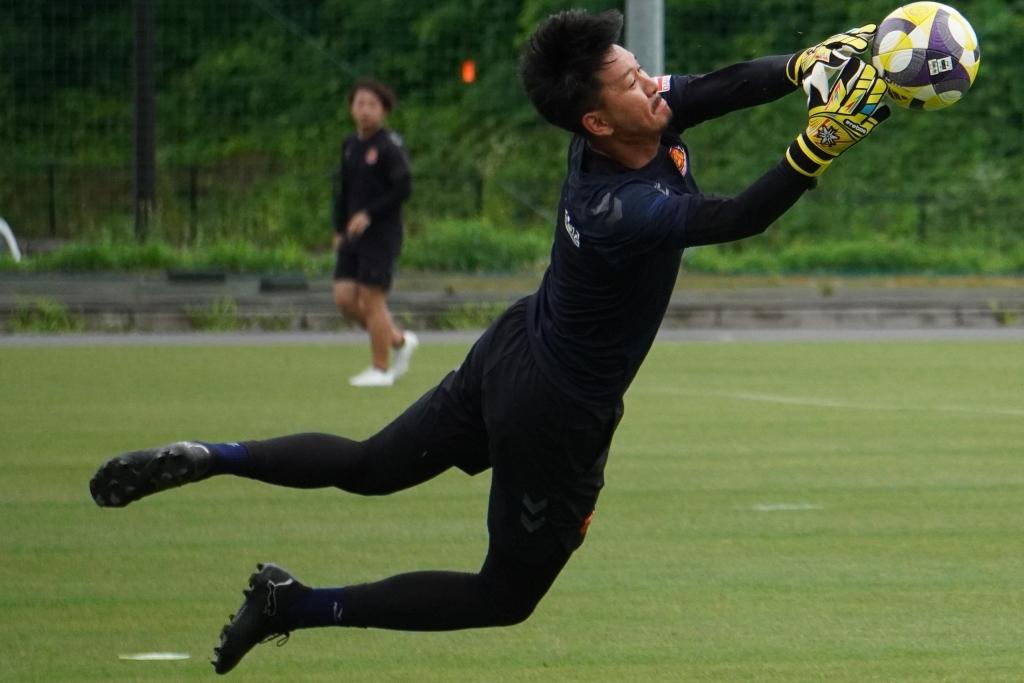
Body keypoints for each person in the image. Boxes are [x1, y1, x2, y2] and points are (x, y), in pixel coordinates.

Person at [89, 10, 889, 676]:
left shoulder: (626, 118)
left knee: (370, 466)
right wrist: (819, 144)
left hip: (515, 345)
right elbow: (737, 217)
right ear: (596, 120)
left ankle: (215, 455)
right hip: (555, 413)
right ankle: (293, 605)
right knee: (504, 595)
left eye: (641, 70)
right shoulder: (617, 206)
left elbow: (718, 86)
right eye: (633, 81)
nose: (654, 83)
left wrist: (804, 65)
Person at [332, 77, 418, 387]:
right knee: (344, 298)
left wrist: (369, 213)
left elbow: (403, 187)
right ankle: (398, 340)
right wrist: (339, 228)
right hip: (352, 235)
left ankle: (380, 370)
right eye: (360, 103)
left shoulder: (389, 146)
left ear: (384, 110)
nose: (365, 110)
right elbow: (342, 191)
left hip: (381, 233)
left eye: (372, 104)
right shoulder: (350, 145)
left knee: (372, 299)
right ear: (351, 108)